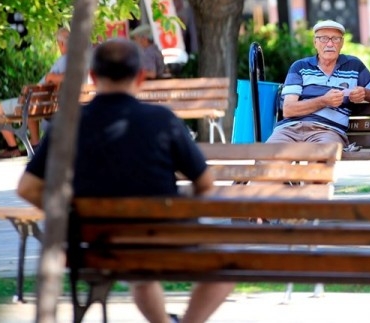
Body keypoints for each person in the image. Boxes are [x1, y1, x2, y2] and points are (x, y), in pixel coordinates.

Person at [16, 39, 233, 323]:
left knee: (141, 276)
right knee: (227, 264)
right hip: (161, 240)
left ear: (93, 77)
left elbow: (27, 188)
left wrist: (68, 213)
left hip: (94, 246)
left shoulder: (68, 123)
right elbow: (205, 184)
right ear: (141, 77)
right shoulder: (161, 120)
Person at [266, 20, 370, 145]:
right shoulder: (300, 67)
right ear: (315, 42)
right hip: (289, 130)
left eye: (335, 39)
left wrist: (365, 93)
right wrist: (324, 101)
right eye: (323, 39)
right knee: (267, 159)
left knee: (320, 160)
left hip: (328, 131)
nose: (329, 44)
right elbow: (289, 110)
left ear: (342, 43)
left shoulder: (354, 66)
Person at [0, 27, 70, 158]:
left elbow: (66, 76)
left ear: (61, 44)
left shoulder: (65, 60)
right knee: (31, 105)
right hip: (42, 103)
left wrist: (50, 77)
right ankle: (35, 145)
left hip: (34, 102)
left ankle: (13, 148)